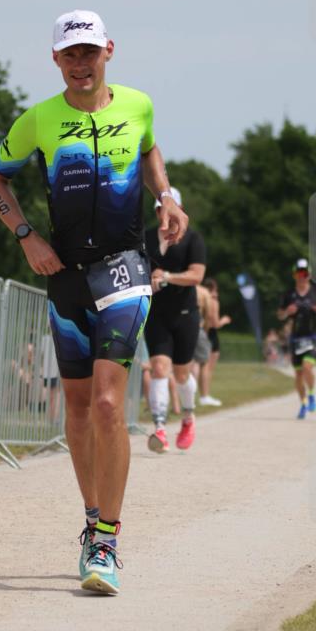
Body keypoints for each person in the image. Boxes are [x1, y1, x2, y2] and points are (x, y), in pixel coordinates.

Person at [0, 10, 187, 595]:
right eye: (69, 54)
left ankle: (107, 540)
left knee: (104, 404)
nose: (80, 63)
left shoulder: (138, 104)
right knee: (74, 409)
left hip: (124, 268)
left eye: (89, 52)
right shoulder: (39, 119)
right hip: (64, 272)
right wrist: (27, 238)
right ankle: (92, 520)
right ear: (55, 60)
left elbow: (149, 151)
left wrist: (167, 196)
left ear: (109, 52)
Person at [144, 187, 206, 451]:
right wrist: (150, 280)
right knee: (158, 368)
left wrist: (166, 277)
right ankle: (159, 428)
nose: (164, 213)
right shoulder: (145, 237)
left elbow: (196, 276)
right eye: (159, 208)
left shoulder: (192, 239)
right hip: (156, 314)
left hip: (185, 314)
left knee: (181, 374)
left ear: (179, 209)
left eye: (168, 207)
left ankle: (188, 418)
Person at [277, 258, 316, 419]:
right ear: (294, 275)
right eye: (299, 273)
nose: (302, 277)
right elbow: (279, 314)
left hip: (312, 335)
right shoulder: (289, 294)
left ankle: (313, 395)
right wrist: (287, 312)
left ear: (310, 274)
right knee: (298, 374)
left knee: (308, 367)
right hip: (296, 338)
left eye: (305, 273)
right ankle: (302, 403)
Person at [199, 277, 231, 406]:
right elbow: (215, 323)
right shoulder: (213, 301)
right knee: (207, 368)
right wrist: (225, 320)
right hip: (211, 334)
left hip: (201, 333)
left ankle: (203, 395)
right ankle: (205, 396)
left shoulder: (199, 298)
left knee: (200, 366)